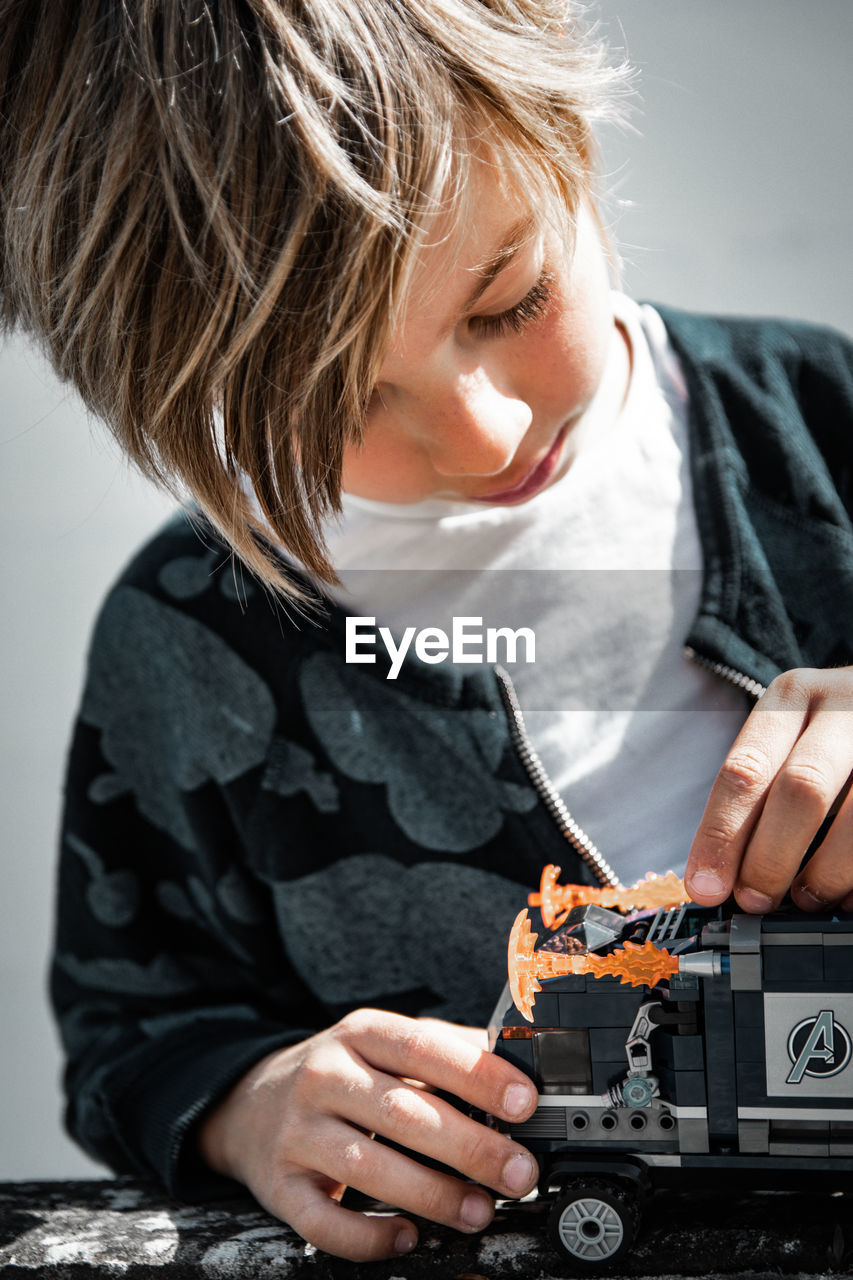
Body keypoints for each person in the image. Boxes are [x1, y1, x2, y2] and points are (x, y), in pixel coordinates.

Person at [2, 0, 852, 1263]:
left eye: (510, 302)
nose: (484, 436)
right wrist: (249, 1105)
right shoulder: (185, 639)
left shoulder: (824, 433)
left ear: (570, 127)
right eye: (338, 396)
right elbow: (136, 1025)